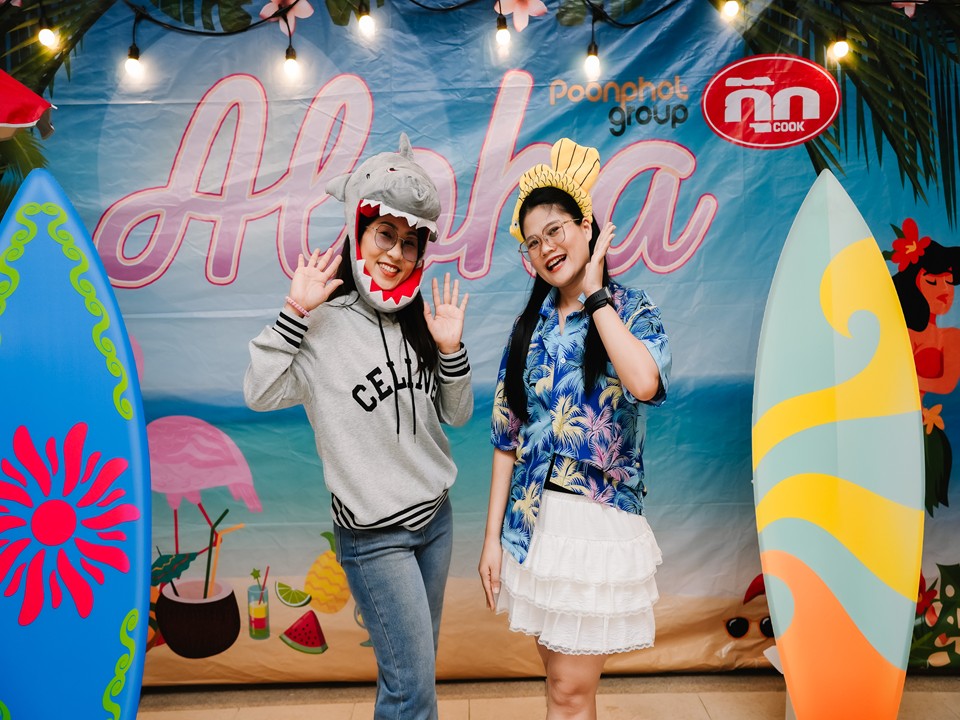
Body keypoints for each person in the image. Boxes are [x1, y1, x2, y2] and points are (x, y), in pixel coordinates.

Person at [244, 133, 472, 720]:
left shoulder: (421, 320)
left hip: (436, 520)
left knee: (410, 679)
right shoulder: (323, 323)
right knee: (412, 691)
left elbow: (457, 415)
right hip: (375, 538)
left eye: (409, 242)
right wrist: (295, 314)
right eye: (384, 235)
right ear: (358, 231)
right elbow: (259, 392)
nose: (395, 253)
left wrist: (451, 350)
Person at [478, 138, 671, 720]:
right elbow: (507, 437)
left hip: (596, 519)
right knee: (559, 687)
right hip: (533, 523)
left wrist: (596, 296)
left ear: (586, 226)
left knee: (569, 690)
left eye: (556, 230)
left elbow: (644, 382)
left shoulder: (630, 309)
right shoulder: (527, 328)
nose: (547, 248)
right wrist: (491, 540)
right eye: (534, 242)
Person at [891, 222, 960, 514]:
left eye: (949, 282)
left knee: (921, 496)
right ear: (914, 286)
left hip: (923, 426)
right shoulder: (897, 333)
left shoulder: (952, 337)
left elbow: (946, 383)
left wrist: (906, 380)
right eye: (933, 282)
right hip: (890, 424)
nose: (945, 291)